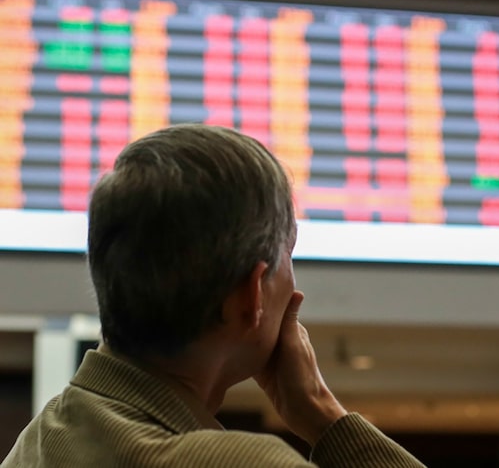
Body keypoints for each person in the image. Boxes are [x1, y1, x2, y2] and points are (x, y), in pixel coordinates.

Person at [1, 124, 425, 468]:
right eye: (287, 256)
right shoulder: (234, 462)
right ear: (252, 295)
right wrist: (323, 415)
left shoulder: (39, 441)